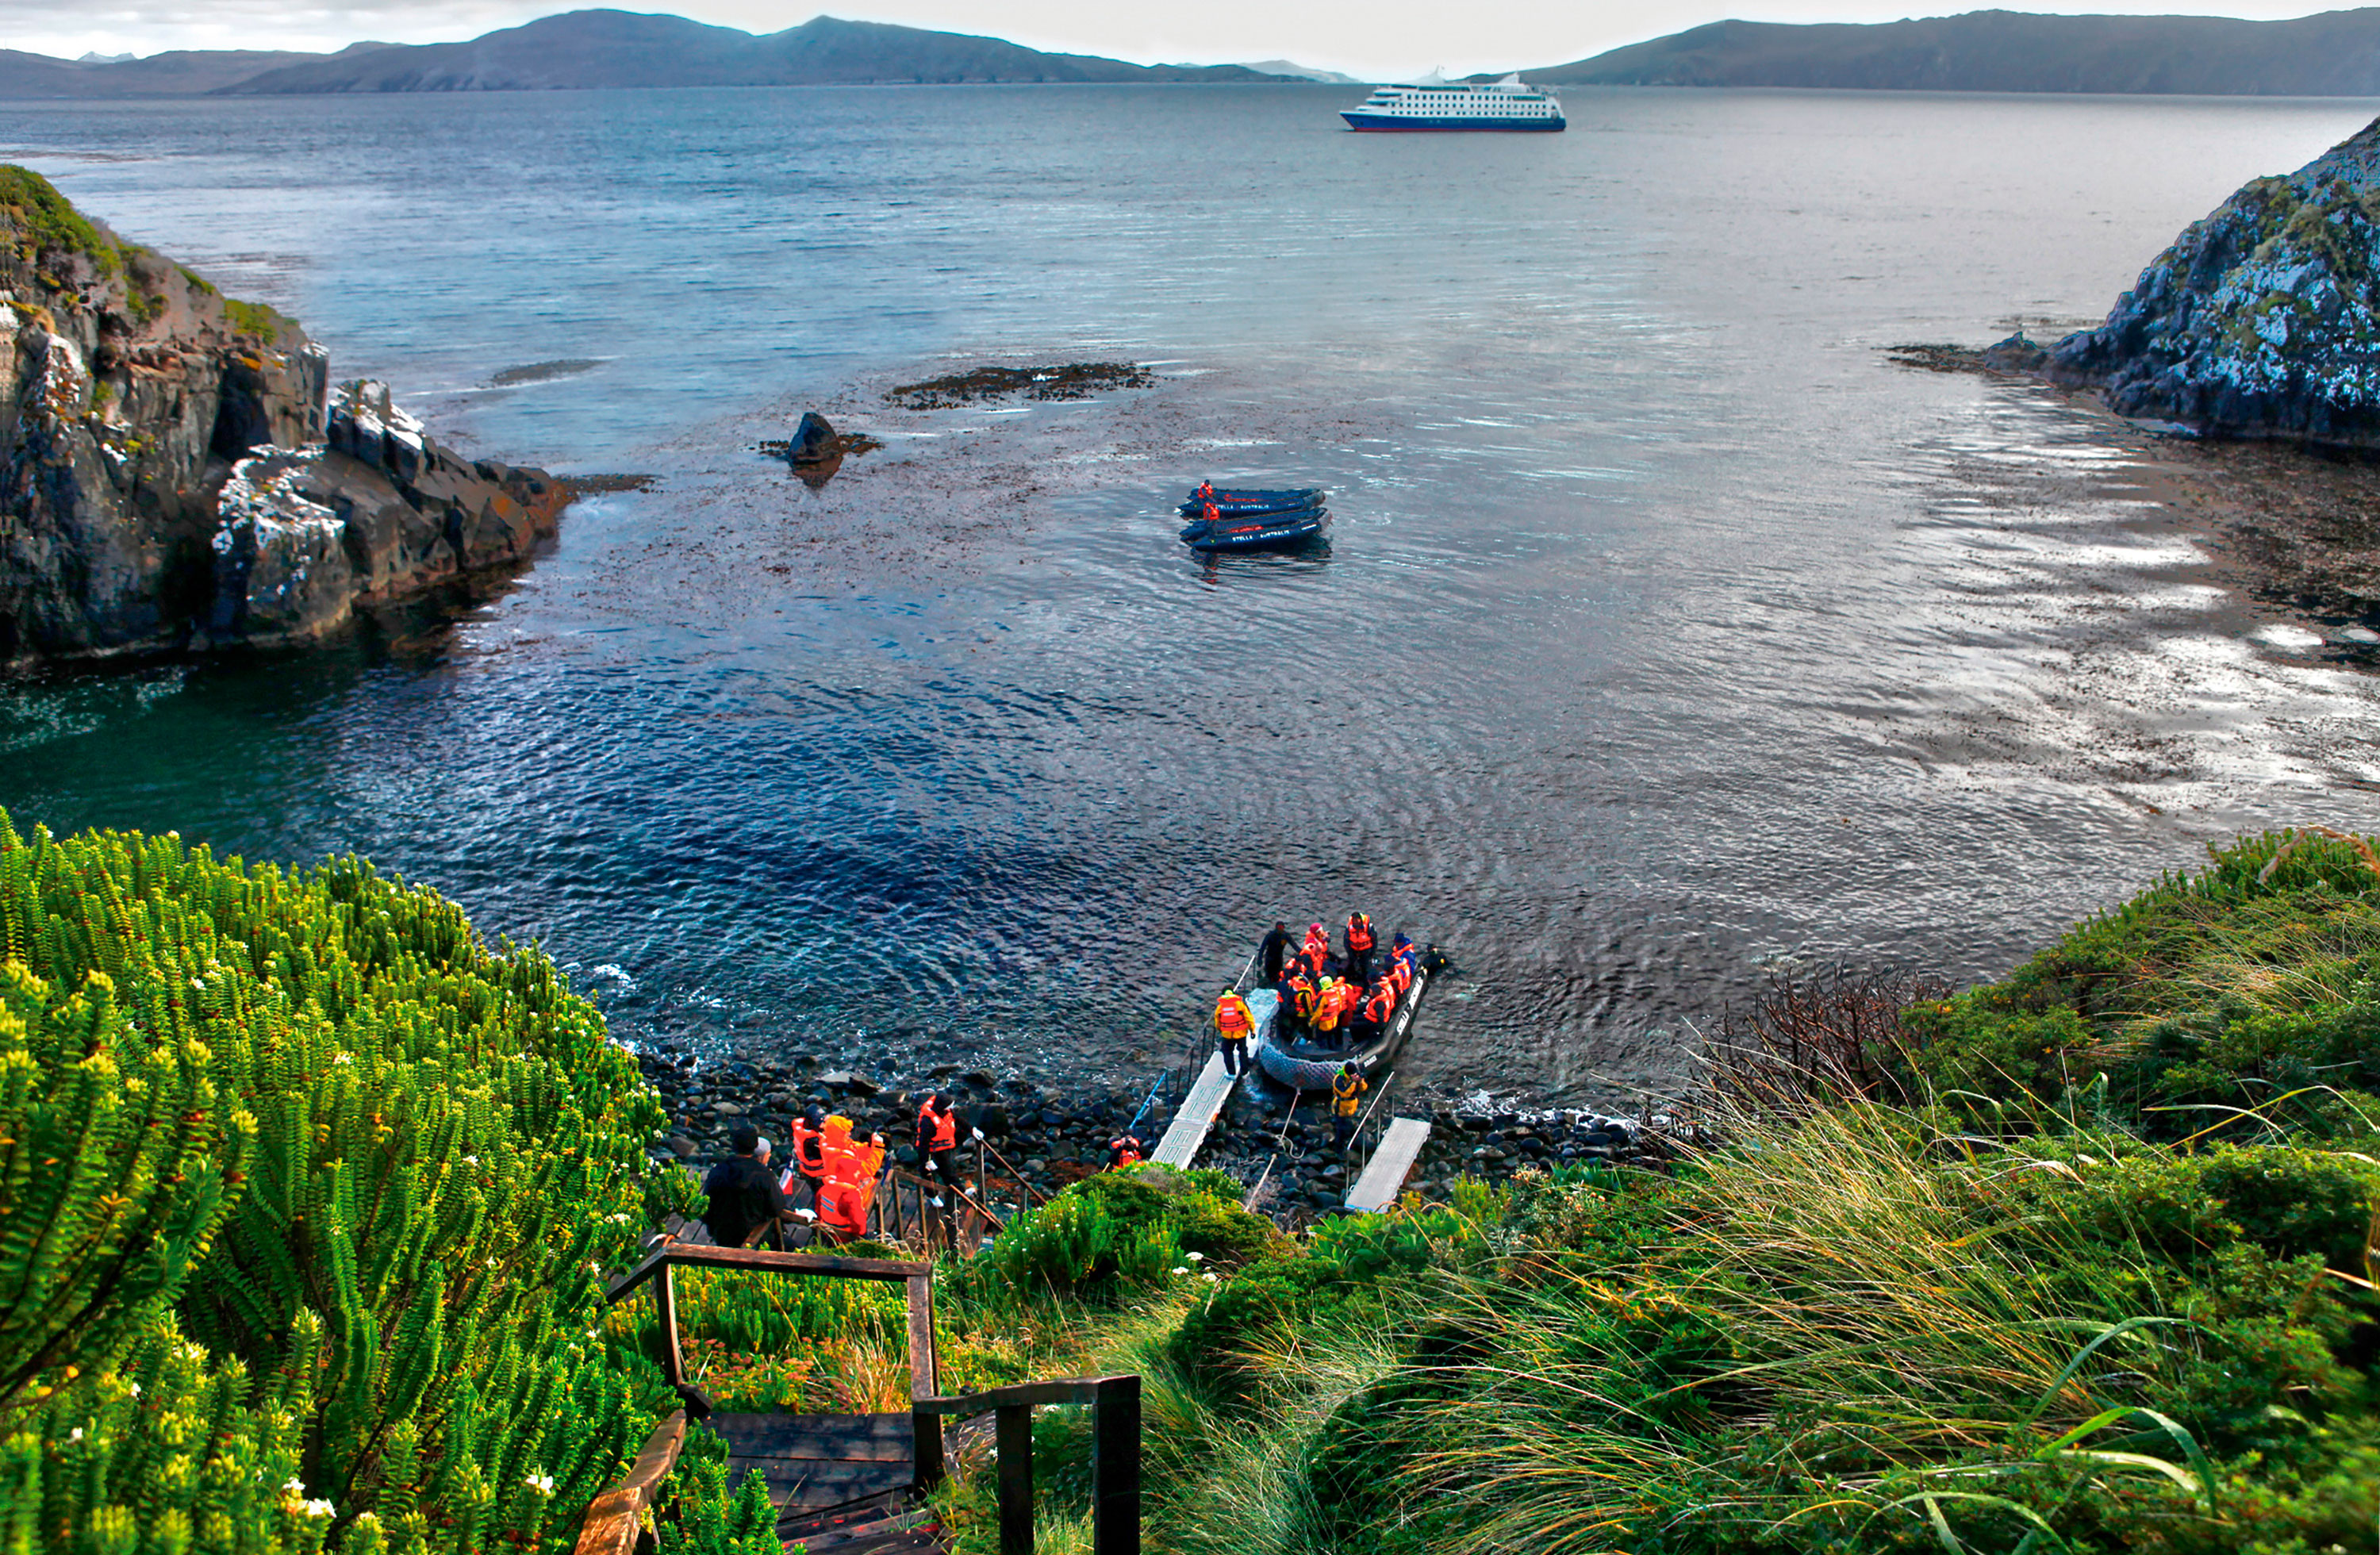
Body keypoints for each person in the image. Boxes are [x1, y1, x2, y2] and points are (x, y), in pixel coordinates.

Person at [702, 1124, 790, 1249]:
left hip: (724, 1237)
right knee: (792, 1247)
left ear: (734, 1146)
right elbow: (777, 1207)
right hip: (757, 1238)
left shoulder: (718, 1171)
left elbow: (706, 1206)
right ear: (755, 1147)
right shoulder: (765, 1174)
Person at [815, 1115, 885, 1243]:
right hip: (848, 1193)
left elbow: (853, 1147)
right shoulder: (843, 1161)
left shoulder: (831, 1142)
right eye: (845, 1133)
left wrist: (869, 1146)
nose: (849, 1134)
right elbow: (867, 1170)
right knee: (855, 1209)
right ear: (838, 1135)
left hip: (837, 1188)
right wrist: (878, 1148)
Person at [916, 1092, 961, 1207]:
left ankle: (959, 1190)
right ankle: (933, 1196)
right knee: (928, 1174)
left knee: (948, 1169)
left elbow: (958, 1119)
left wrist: (972, 1130)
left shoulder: (947, 1112)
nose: (951, 1108)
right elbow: (923, 1144)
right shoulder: (928, 1121)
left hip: (942, 1147)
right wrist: (927, 1160)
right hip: (928, 1150)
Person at [1215, 985, 1256, 1076]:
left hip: (1227, 1035)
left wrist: (1221, 1030)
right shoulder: (1240, 1004)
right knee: (1243, 1052)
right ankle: (1244, 1072)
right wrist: (1252, 1030)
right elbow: (1249, 1018)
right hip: (1241, 1033)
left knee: (1227, 1052)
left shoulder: (1220, 1007)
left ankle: (1231, 1073)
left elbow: (1217, 1022)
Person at [1330, 1062, 1368, 1149]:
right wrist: (1353, 1083)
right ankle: (1339, 1148)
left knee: (1349, 1124)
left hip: (1352, 1104)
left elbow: (1364, 1088)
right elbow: (1344, 1093)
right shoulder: (1339, 1079)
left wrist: (1360, 1081)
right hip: (1341, 1107)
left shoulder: (1355, 1077)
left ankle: (1350, 1138)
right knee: (1341, 1129)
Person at [1345, 911, 1376, 987]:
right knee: (1350, 966)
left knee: (1365, 968)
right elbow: (1346, 942)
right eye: (1354, 920)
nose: (1356, 922)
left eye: (1357, 920)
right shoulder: (1349, 928)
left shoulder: (1369, 928)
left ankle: (1366, 985)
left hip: (1365, 951)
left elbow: (1374, 941)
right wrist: (1350, 953)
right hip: (1353, 950)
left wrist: (1372, 953)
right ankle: (1350, 981)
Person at [1260, 920, 1294, 984]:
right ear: (1276, 928)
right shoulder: (1270, 935)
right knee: (1269, 976)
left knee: (1278, 976)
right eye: (1279, 928)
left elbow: (1294, 946)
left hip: (1278, 959)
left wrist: (1302, 953)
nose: (1280, 930)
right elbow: (1262, 948)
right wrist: (1260, 959)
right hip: (1269, 958)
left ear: (1284, 928)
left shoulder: (1286, 936)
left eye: (1281, 928)